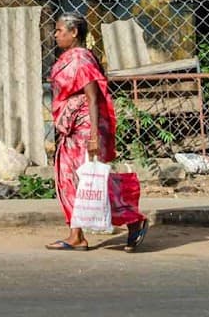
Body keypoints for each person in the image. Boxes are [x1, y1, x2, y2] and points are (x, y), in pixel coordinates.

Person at [48, 13, 148, 251]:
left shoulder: (81, 60)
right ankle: (76, 235)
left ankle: (134, 220)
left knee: (91, 180)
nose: (56, 34)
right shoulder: (68, 58)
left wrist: (94, 136)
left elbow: (93, 98)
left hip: (84, 129)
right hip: (71, 128)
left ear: (74, 33)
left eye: (60, 30)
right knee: (68, 179)